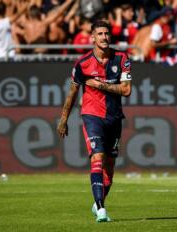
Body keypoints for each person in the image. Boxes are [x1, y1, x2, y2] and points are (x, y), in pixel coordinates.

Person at [57, 20, 132, 223]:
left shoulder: (122, 58)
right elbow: (72, 94)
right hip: (91, 114)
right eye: (100, 34)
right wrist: (63, 119)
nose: (104, 37)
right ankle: (101, 209)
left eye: (107, 33)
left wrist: (100, 85)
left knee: (110, 169)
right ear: (93, 37)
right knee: (96, 156)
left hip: (114, 117)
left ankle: (98, 200)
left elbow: (126, 90)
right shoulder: (82, 64)